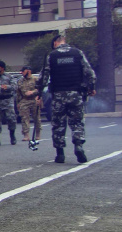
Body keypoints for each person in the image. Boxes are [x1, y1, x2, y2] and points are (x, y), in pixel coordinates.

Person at [37, 35, 96, 163]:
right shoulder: (77, 53)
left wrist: (39, 92)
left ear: (55, 43)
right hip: (76, 94)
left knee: (58, 124)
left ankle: (60, 154)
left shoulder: (51, 56)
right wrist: (91, 87)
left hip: (58, 95)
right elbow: (89, 72)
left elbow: (43, 76)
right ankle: (79, 146)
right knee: (77, 122)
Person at [0, 61, 18, 146]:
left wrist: (7, 87)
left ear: (2, 68)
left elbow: (15, 86)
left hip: (8, 101)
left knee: (11, 119)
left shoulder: (9, 76)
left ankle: (12, 136)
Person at [16, 65, 40, 142]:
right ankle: (26, 135)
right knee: (24, 118)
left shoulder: (36, 79)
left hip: (34, 99)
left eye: (23, 71)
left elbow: (40, 89)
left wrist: (34, 93)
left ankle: (38, 134)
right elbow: (18, 93)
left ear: (28, 71)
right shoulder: (20, 81)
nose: (22, 73)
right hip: (24, 100)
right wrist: (18, 103)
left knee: (36, 117)